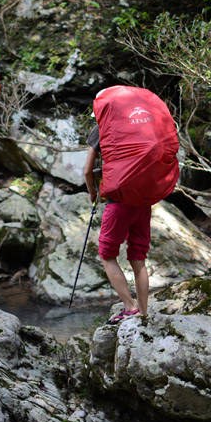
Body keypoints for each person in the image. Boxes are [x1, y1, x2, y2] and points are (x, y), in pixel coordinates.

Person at [83, 124, 150, 324]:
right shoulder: (137, 124)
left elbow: (87, 170)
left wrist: (93, 193)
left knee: (107, 255)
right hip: (143, 200)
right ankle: (143, 312)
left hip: (118, 202)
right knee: (138, 257)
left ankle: (130, 307)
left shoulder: (102, 127)